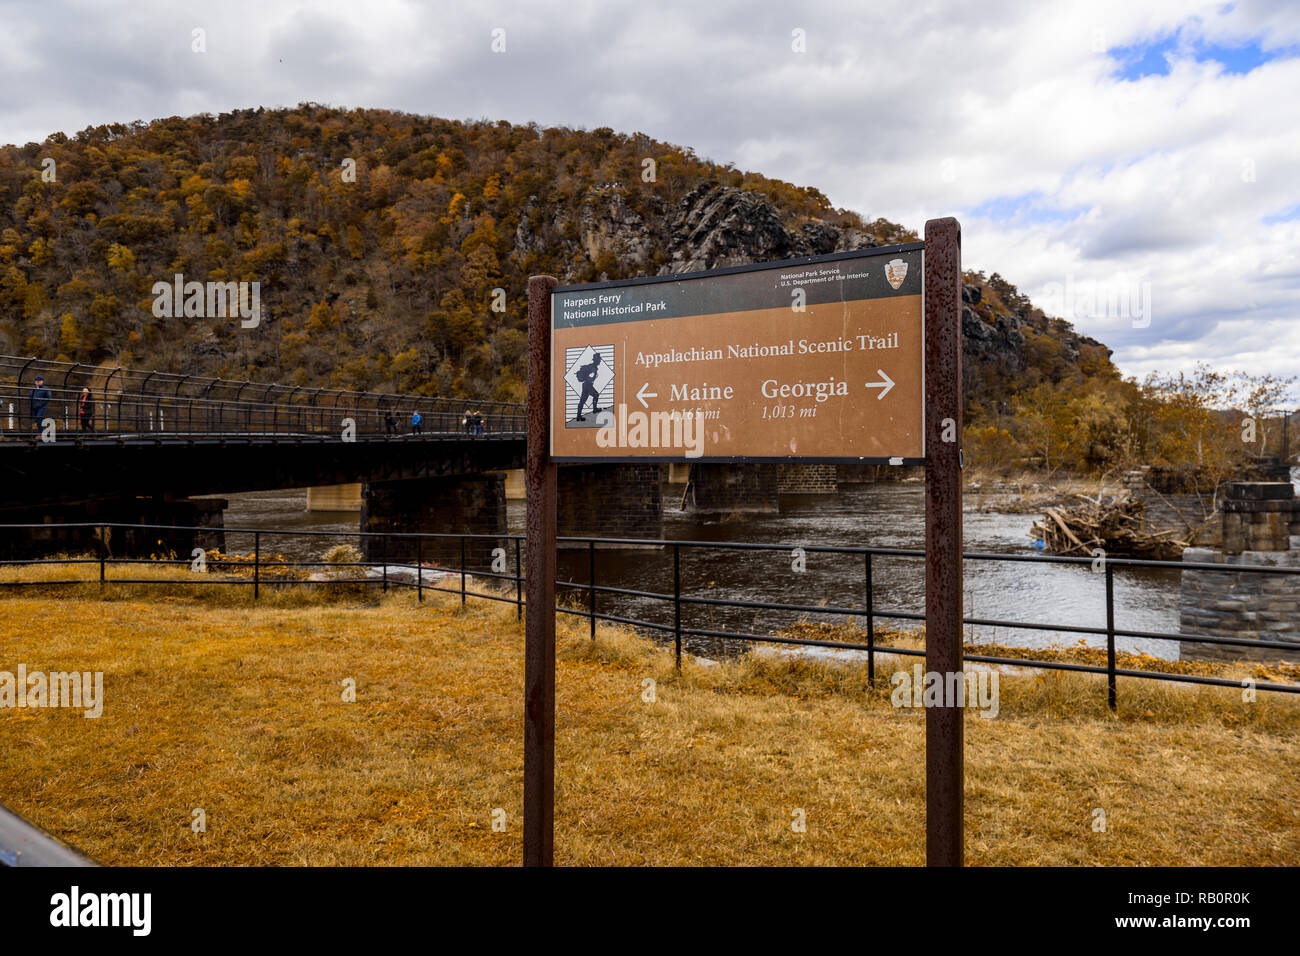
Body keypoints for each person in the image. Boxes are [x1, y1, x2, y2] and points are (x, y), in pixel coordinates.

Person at [574, 353, 603, 421]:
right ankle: (580, 415)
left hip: (587, 385)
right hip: (587, 385)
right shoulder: (593, 367)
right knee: (585, 400)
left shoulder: (592, 366)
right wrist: (592, 378)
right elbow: (590, 377)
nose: (600, 361)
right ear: (596, 360)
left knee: (584, 400)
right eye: (599, 360)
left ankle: (580, 415)